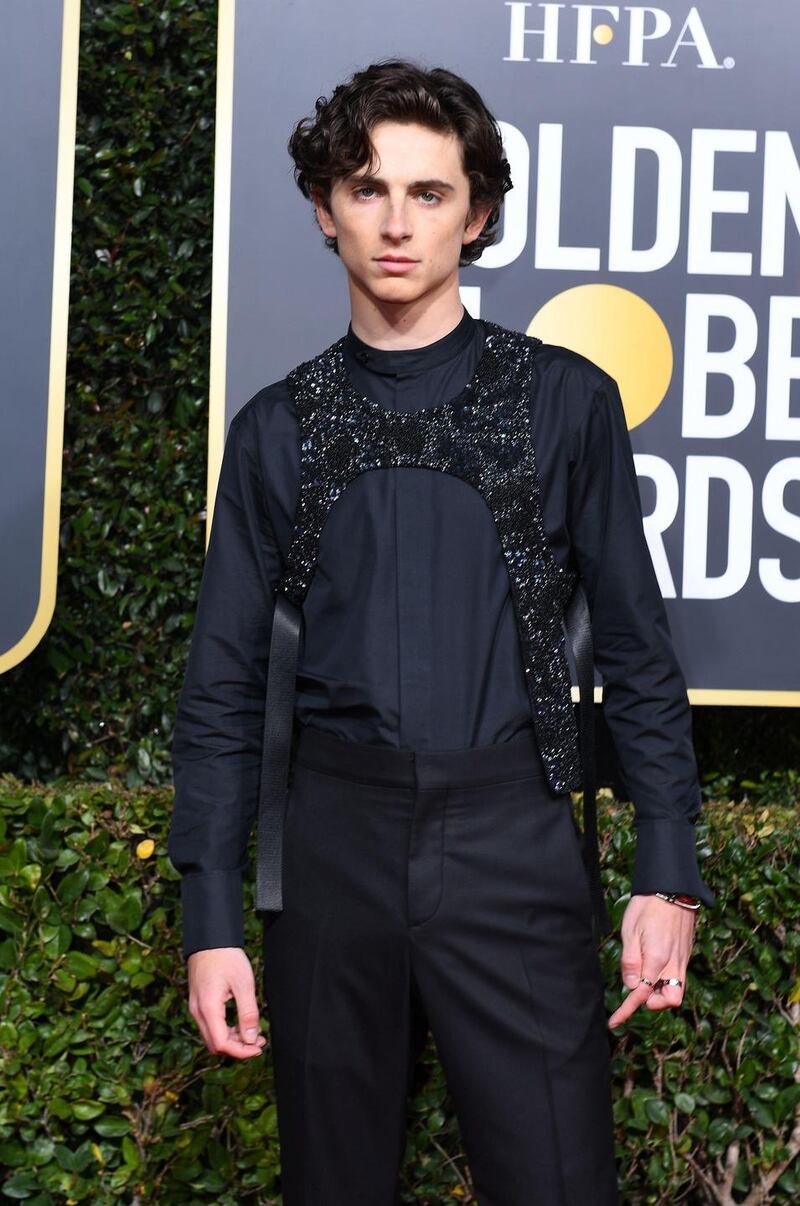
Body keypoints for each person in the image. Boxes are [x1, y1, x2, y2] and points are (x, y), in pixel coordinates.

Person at [168, 58, 715, 1206]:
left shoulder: (564, 401)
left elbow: (637, 651)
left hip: (513, 840)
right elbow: (219, 689)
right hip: (331, 853)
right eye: (367, 190)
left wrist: (667, 874)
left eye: (428, 192)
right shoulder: (274, 430)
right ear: (324, 210)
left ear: (477, 213)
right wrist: (211, 916)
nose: (397, 221)